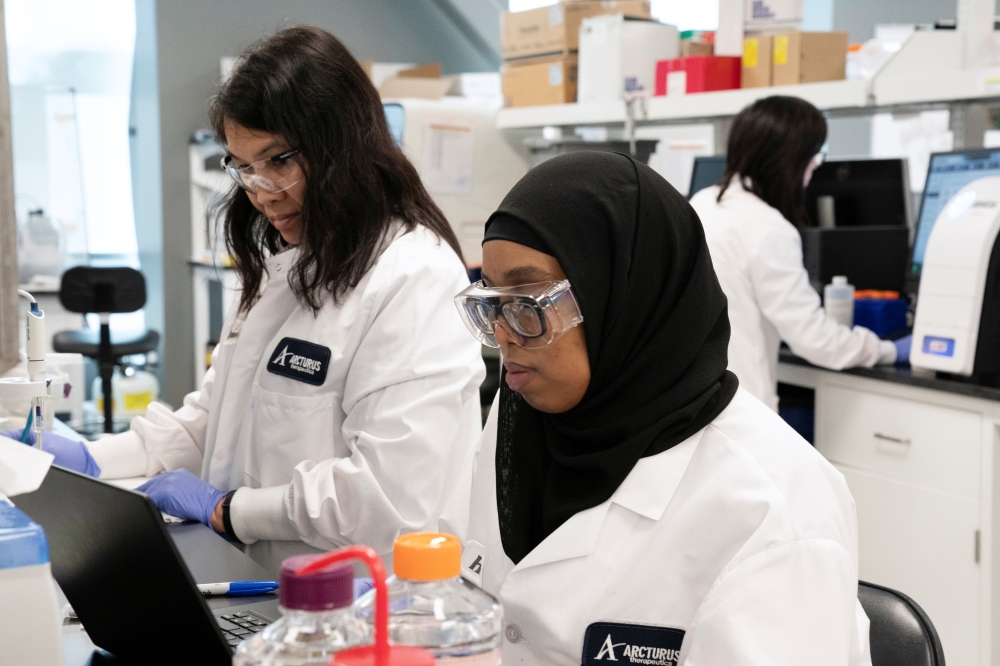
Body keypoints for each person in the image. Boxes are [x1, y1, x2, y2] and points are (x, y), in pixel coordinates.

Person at [7, 26, 484, 574]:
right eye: (244, 165)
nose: (259, 191)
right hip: (261, 590)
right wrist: (94, 459)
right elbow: (214, 420)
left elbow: (390, 495)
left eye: (278, 160)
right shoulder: (286, 261)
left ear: (342, 145)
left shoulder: (413, 275)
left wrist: (229, 511)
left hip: (370, 606)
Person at [443, 152, 872, 665]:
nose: (503, 337)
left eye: (527, 303)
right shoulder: (519, 424)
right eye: (492, 305)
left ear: (620, 295)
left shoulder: (773, 508)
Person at [689, 96, 908, 411]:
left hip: (696, 401)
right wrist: (888, 350)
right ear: (789, 157)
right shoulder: (768, 227)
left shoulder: (702, 203)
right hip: (740, 408)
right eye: (815, 152)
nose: (818, 163)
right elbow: (815, 340)